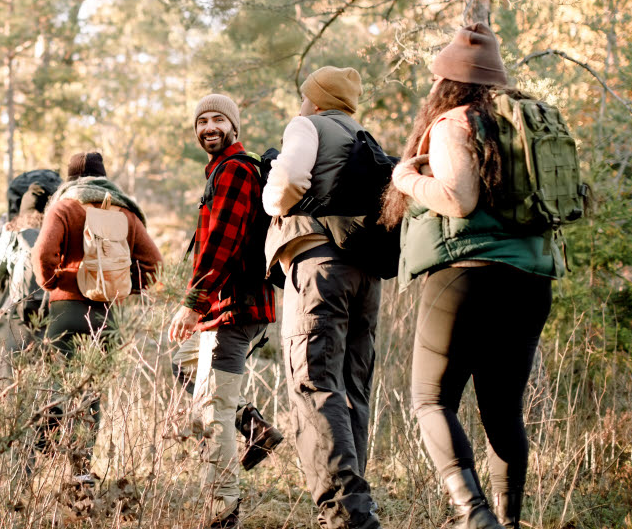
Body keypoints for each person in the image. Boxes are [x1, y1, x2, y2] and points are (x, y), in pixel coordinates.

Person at [380, 23, 563, 529]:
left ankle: (474, 514)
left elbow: (459, 200)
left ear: (447, 82)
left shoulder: (454, 122)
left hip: (467, 278)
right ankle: (509, 521)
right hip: (532, 280)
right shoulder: (519, 122)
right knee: (503, 409)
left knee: (431, 399)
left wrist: (405, 178)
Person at [261, 66, 383, 529]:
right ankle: (356, 502)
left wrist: (272, 200)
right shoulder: (362, 136)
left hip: (318, 267)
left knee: (314, 381)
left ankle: (346, 513)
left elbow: (289, 181)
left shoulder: (307, 125)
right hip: (365, 273)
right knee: (353, 386)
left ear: (315, 99)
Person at [168, 94, 278, 529]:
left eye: (218, 119)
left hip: (233, 305)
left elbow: (222, 244)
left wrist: (192, 303)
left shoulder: (234, 170)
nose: (209, 127)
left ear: (234, 126)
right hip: (225, 305)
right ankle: (254, 427)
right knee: (185, 365)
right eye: (202, 121)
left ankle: (223, 512)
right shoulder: (221, 170)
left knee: (214, 412)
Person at [32, 151, 162, 480]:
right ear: (103, 178)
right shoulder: (125, 212)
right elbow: (154, 265)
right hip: (105, 316)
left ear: (71, 178)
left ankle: (41, 454)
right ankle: (81, 475)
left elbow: (43, 254)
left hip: (65, 310)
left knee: (56, 383)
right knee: (91, 395)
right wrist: (125, 286)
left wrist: (54, 282)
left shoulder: (64, 206)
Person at [0, 181, 56, 373]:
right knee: (54, 375)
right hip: (58, 313)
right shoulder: (61, 232)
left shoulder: (14, 234)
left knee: (12, 372)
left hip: (22, 315)